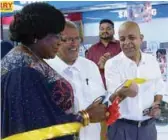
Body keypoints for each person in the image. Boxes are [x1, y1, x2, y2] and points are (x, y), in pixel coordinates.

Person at [1, 3, 108, 140]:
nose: (59, 42)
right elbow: (35, 129)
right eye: (57, 36)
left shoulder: (29, 59)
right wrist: (86, 116)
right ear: (37, 35)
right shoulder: (23, 71)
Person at [105, 21, 166, 140]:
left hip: (148, 128)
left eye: (131, 37)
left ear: (141, 38)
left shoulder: (151, 61)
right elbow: (112, 98)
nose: (127, 43)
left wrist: (156, 104)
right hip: (122, 128)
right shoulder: (112, 64)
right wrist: (123, 92)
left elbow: (159, 88)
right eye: (122, 39)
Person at [46, 20, 106, 140]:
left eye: (77, 38)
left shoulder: (91, 67)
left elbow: (102, 107)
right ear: (56, 42)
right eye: (67, 39)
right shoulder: (45, 71)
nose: (74, 44)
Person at [87, 19, 121, 88]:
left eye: (108, 28)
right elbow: (87, 72)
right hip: (98, 89)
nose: (105, 31)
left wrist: (110, 64)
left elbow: (129, 67)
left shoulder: (121, 46)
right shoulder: (92, 50)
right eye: (102, 29)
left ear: (114, 31)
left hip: (118, 88)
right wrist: (99, 67)